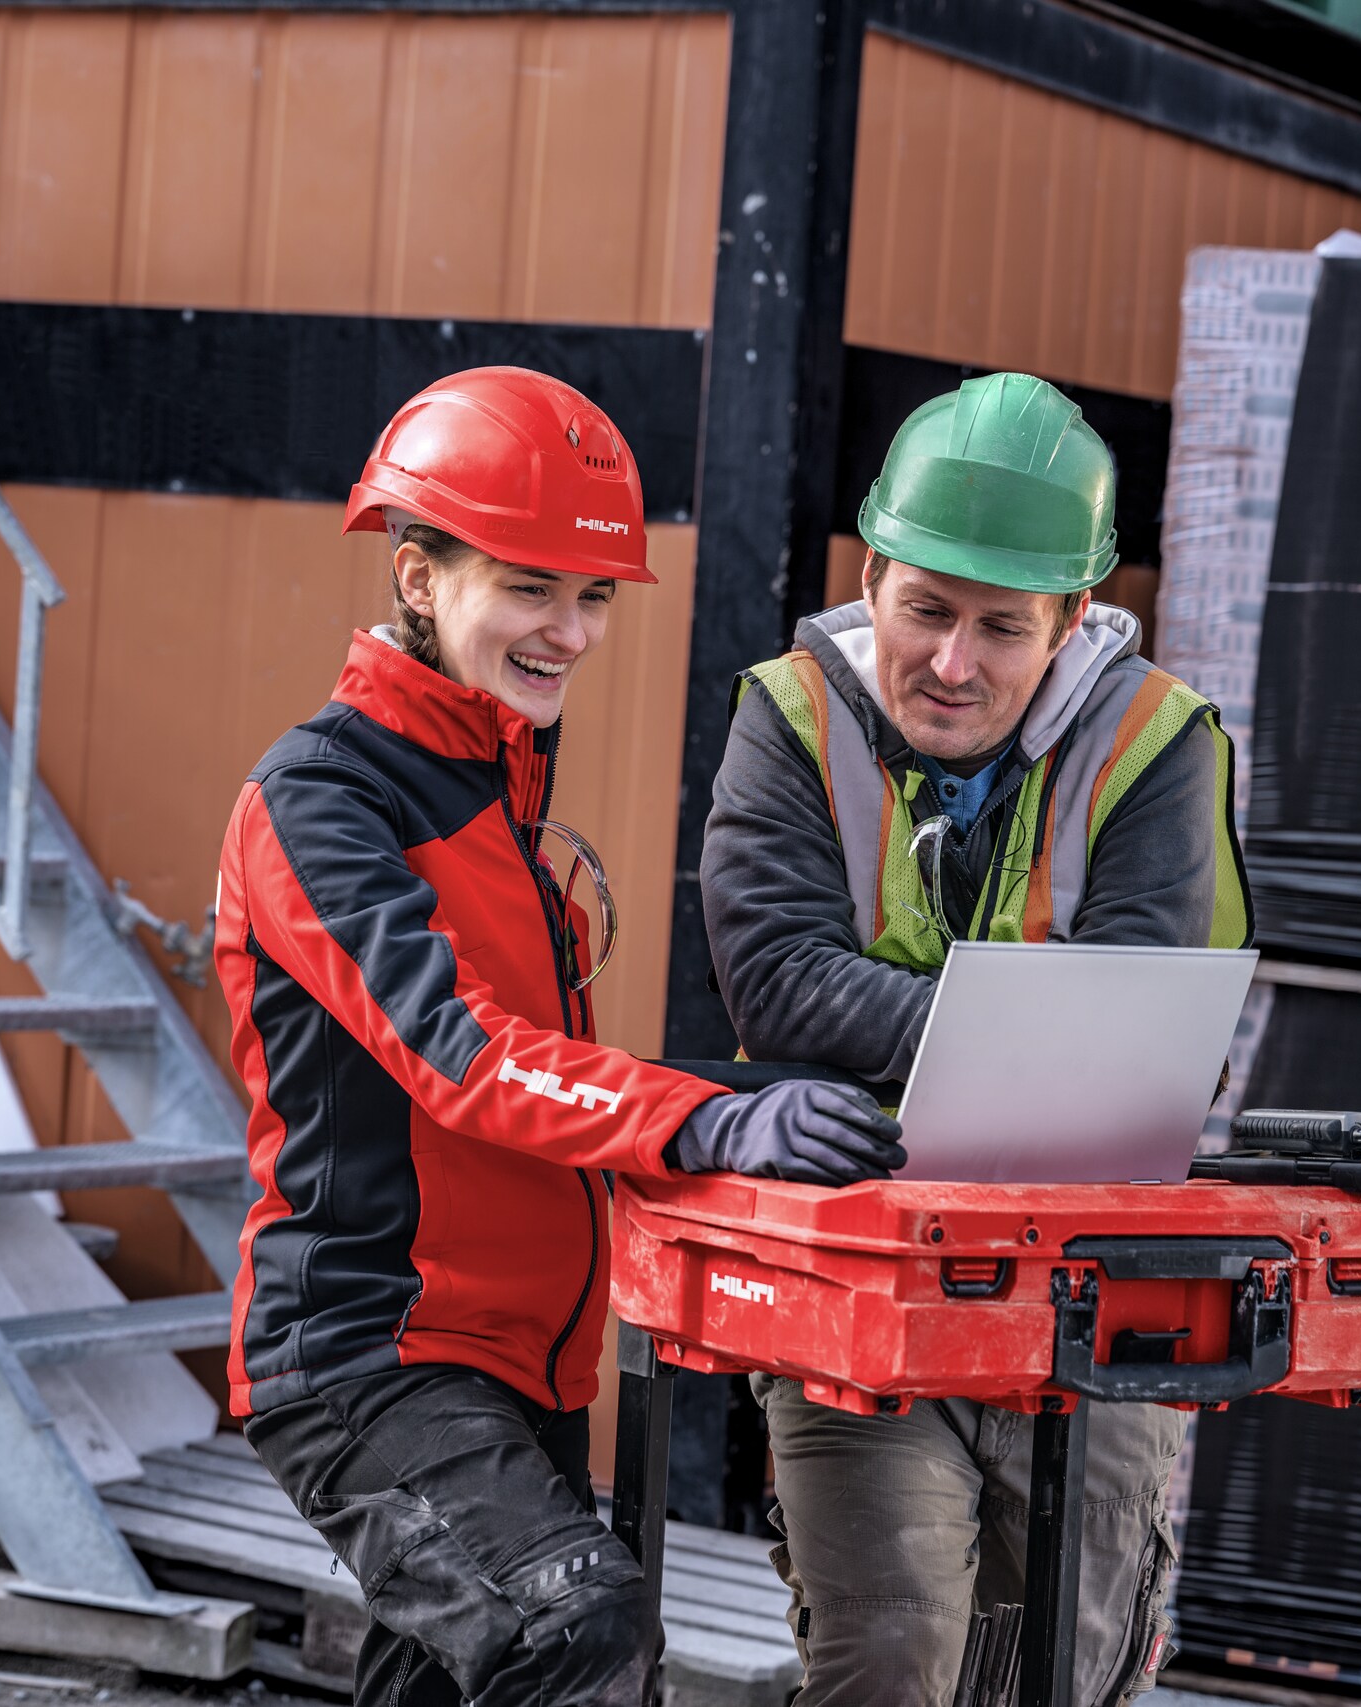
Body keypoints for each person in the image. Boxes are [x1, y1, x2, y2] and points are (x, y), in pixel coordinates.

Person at [213, 366, 903, 1707]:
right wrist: (701, 1117)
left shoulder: (500, 795)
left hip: (515, 1353)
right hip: (369, 1355)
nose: (573, 631)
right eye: (530, 587)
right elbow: (463, 1055)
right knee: (573, 1633)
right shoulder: (318, 801)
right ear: (420, 579)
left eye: (593, 597)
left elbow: (545, 1071)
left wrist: (745, 1105)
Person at [700, 371, 1251, 1707]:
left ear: (1070, 621)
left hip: (1098, 1279)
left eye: (1002, 626)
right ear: (874, 572)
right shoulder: (791, 714)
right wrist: (1028, 1038)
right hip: (863, 1271)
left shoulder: (1157, 744)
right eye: (925, 610)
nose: (953, 663)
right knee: (889, 1653)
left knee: (1069, 1663)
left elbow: (1145, 1026)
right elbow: (775, 982)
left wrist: (908, 1037)